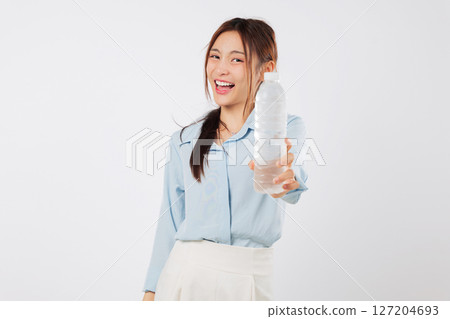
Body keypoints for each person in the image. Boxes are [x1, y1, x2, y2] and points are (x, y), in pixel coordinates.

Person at [142, 17, 308, 301]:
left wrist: (287, 179)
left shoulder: (285, 128)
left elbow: (290, 187)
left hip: (249, 280)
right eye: (215, 56)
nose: (220, 69)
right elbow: (170, 220)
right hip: (183, 276)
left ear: (266, 70)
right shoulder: (184, 140)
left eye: (236, 60)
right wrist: (150, 293)